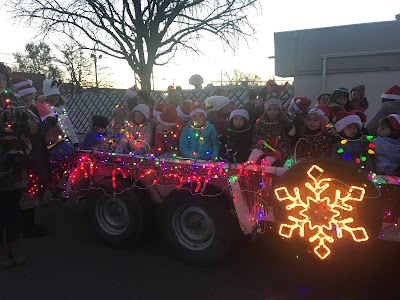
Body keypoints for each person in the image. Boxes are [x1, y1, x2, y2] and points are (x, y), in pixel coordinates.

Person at [0, 62, 34, 268]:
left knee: (13, 208)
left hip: (14, 164)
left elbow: (32, 127)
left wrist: (26, 125)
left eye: (2, 79)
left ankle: (14, 245)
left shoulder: (15, 102)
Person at [11, 77, 51, 237]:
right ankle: (24, 226)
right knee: (27, 190)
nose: (30, 100)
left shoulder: (32, 111)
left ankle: (28, 224)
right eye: (26, 98)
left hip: (37, 154)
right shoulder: (17, 113)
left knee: (32, 190)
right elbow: (26, 133)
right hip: (26, 157)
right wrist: (42, 128)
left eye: (31, 97)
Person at [248, 97, 295, 165]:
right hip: (263, 147)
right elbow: (256, 135)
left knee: (267, 162)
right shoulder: (261, 122)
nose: (272, 112)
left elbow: (286, 139)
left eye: (275, 110)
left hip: (276, 149)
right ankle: (249, 169)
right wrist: (259, 142)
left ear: (279, 110)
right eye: (269, 110)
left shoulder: (283, 123)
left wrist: (280, 150)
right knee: (254, 153)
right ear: (266, 111)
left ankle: (265, 173)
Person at [42, 79, 80, 147]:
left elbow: (68, 125)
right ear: (49, 97)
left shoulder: (61, 110)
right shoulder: (46, 110)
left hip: (65, 141)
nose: (56, 98)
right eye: (54, 96)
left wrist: (74, 141)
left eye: (57, 96)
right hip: (53, 143)